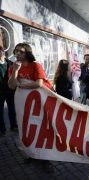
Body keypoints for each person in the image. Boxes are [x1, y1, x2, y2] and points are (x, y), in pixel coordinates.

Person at [7, 43, 54, 173]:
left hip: (42, 101)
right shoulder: (13, 67)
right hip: (25, 103)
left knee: (43, 128)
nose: (17, 54)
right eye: (16, 51)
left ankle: (46, 158)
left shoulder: (35, 65)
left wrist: (21, 86)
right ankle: (32, 153)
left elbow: (39, 83)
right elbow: (11, 85)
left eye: (21, 52)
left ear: (27, 53)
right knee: (28, 127)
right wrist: (15, 71)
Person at [0, 46, 17, 137]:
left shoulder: (10, 63)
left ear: (3, 53)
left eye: (1, 52)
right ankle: (2, 129)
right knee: (0, 111)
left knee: (12, 109)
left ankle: (13, 125)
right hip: (0, 92)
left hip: (9, 90)